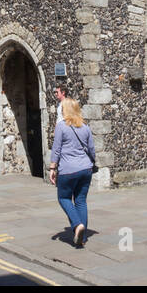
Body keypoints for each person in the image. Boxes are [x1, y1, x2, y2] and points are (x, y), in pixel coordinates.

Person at [49, 98, 95, 248]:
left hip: (68, 170)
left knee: (64, 198)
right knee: (81, 200)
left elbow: (56, 149)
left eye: (62, 108)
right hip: (85, 169)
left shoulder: (61, 127)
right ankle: (82, 238)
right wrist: (91, 164)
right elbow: (91, 150)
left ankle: (77, 225)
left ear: (66, 110)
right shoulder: (85, 127)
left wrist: (52, 168)